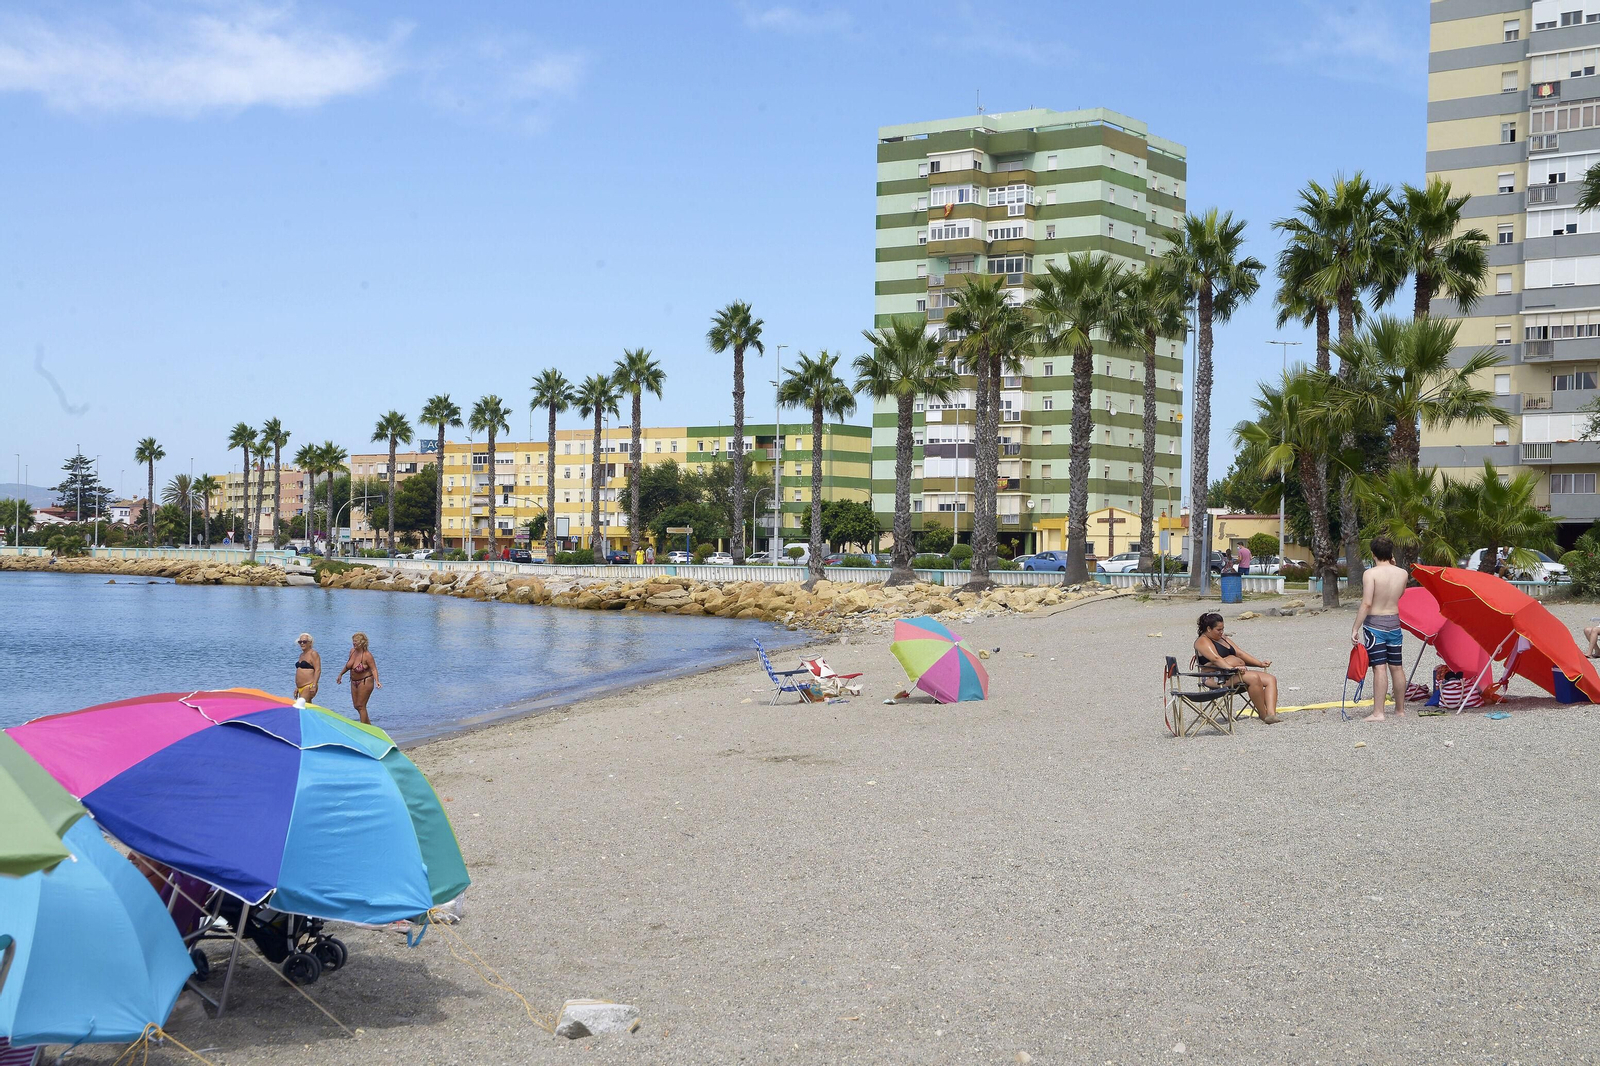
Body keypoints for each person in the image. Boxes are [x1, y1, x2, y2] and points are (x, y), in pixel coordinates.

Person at [1352, 534, 1409, 721]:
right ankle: (1400, 710)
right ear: (1391, 553)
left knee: (1379, 668)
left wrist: (1355, 628)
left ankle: (1379, 712)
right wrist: (1395, 563)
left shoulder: (1370, 574)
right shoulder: (1402, 573)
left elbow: (1367, 603)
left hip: (1375, 624)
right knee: (1397, 667)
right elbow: (1399, 595)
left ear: (1372, 553)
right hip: (1394, 622)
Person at [1193, 612, 1282, 723]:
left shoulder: (1223, 638)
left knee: (1270, 679)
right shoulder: (1202, 641)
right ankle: (1263, 715)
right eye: (1218, 630)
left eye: (1223, 629)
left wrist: (1259, 663)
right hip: (1216, 677)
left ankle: (1271, 714)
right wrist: (1231, 668)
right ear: (1209, 629)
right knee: (1253, 677)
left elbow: (1239, 653)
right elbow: (1216, 659)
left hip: (1234, 673)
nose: (1221, 632)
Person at [335, 632, 380, 725]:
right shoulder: (352, 651)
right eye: (353, 641)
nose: (353, 643)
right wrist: (341, 674)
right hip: (353, 681)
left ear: (362, 643)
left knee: (361, 705)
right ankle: (369, 727)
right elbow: (348, 666)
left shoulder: (367, 655)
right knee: (356, 706)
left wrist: (377, 681)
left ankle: (363, 729)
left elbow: (374, 669)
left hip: (365, 681)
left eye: (356, 641)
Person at [293, 633, 322, 703]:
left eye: (304, 642)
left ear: (310, 643)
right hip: (300, 687)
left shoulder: (313, 654)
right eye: (300, 642)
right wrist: (297, 687)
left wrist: (314, 685)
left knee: (300, 705)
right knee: (307, 707)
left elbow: (318, 670)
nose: (302, 643)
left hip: (309, 686)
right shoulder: (301, 655)